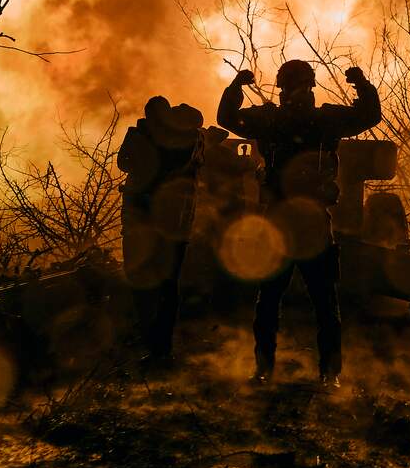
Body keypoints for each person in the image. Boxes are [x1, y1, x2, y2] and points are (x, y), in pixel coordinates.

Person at [217, 60, 382, 387]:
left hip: (295, 221)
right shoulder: (321, 120)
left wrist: (236, 88)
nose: (293, 93)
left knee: (300, 302)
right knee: (308, 302)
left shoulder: (278, 120)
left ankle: (289, 371)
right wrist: (361, 85)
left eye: (294, 86)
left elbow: (227, 118)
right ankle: (316, 373)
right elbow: (368, 115)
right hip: (299, 222)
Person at [118, 96, 204, 365]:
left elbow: (131, 164)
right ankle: (155, 345)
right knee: (154, 285)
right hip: (159, 225)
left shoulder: (185, 140)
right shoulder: (173, 139)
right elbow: (126, 163)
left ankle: (157, 347)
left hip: (163, 225)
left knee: (158, 286)